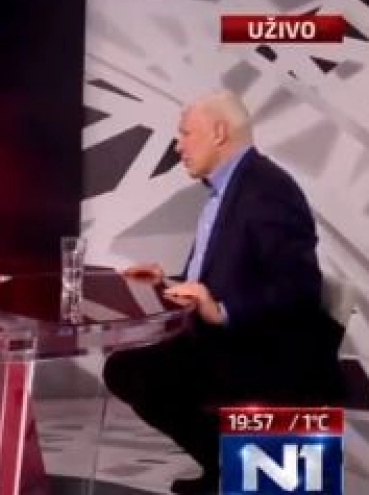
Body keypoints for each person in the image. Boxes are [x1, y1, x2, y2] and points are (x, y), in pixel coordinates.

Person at [102, 90, 344, 494]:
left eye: (185, 133)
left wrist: (224, 311)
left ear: (218, 132)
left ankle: (233, 465)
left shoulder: (268, 189)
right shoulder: (229, 188)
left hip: (263, 350)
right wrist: (166, 282)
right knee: (126, 368)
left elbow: (299, 288)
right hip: (229, 341)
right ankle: (225, 467)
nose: (178, 146)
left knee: (135, 373)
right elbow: (223, 276)